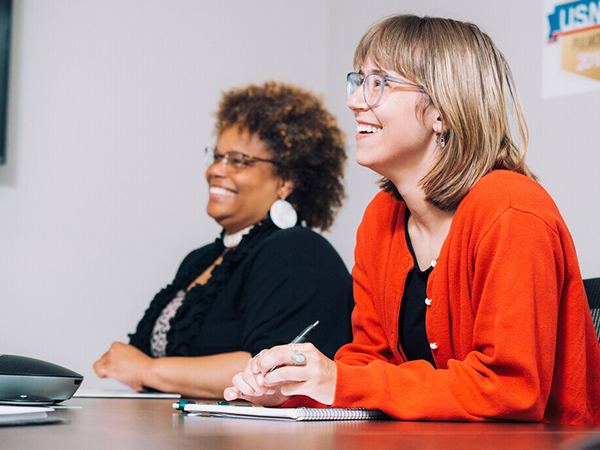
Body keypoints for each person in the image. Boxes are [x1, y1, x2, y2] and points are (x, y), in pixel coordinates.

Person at [224, 15, 600, 425]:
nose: (353, 101)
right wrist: (297, 390)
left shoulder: (511, 209)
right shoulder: (381, 219)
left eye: (379, 83)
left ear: (441, 111)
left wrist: (339, 381)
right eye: (358, 80)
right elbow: (368, 364)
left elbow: (510, 390)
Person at [94, 81, 354, 398]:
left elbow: (269, 373)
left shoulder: (298, 251)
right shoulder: (200, 260)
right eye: (217, 156)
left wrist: (148, 370)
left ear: (286, 181)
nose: (217, 170)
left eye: (238, 160)